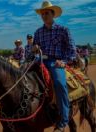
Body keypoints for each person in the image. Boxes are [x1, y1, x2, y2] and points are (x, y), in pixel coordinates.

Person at [33, 1, 76, 132]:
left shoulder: (63, 30)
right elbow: (34, 49)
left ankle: (63, 119)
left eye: (47, 13)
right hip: (40, 60)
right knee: (22, 76)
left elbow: (72, 50)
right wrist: (34, 49)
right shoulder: (38, 32)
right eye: (42, 13)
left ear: (53, 14)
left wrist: (64, 61)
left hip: (55, 62)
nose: (44, 15)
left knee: (58, 83)